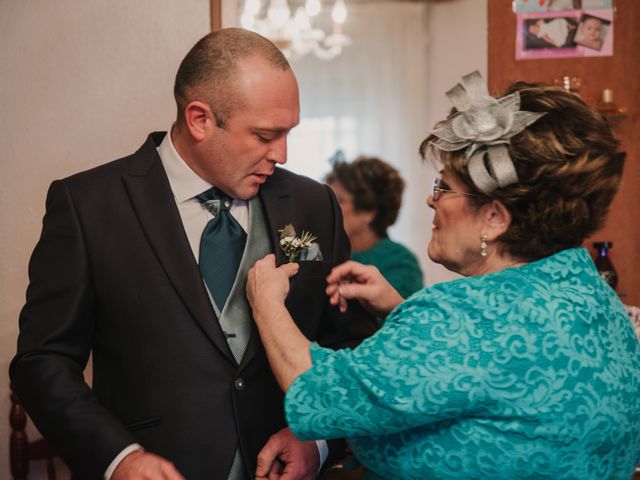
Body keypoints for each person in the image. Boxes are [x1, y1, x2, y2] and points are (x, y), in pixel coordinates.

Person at [10, 28, 376, 480]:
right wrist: (118, 458)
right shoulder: (88, 205)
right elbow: (42, 362)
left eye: (288, 133)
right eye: (265, 134)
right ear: (200, 119)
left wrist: (318, 439)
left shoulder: (312, 204)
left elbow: (351, 344)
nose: (281, 153)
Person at [246, 71, 640, 479]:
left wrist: (267, 303)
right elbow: (480, 374)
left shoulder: (461, 317)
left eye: (445, 186)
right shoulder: (597, 299)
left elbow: (322, 394)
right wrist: (402, 309)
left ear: (494, 218)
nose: (432, 200)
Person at [325, 156, 423, 300]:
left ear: (368, 211)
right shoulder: (321, 249)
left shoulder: (400, 262)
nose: (327, 207)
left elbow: (400, 317)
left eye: (339, 200)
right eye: (327, 199)